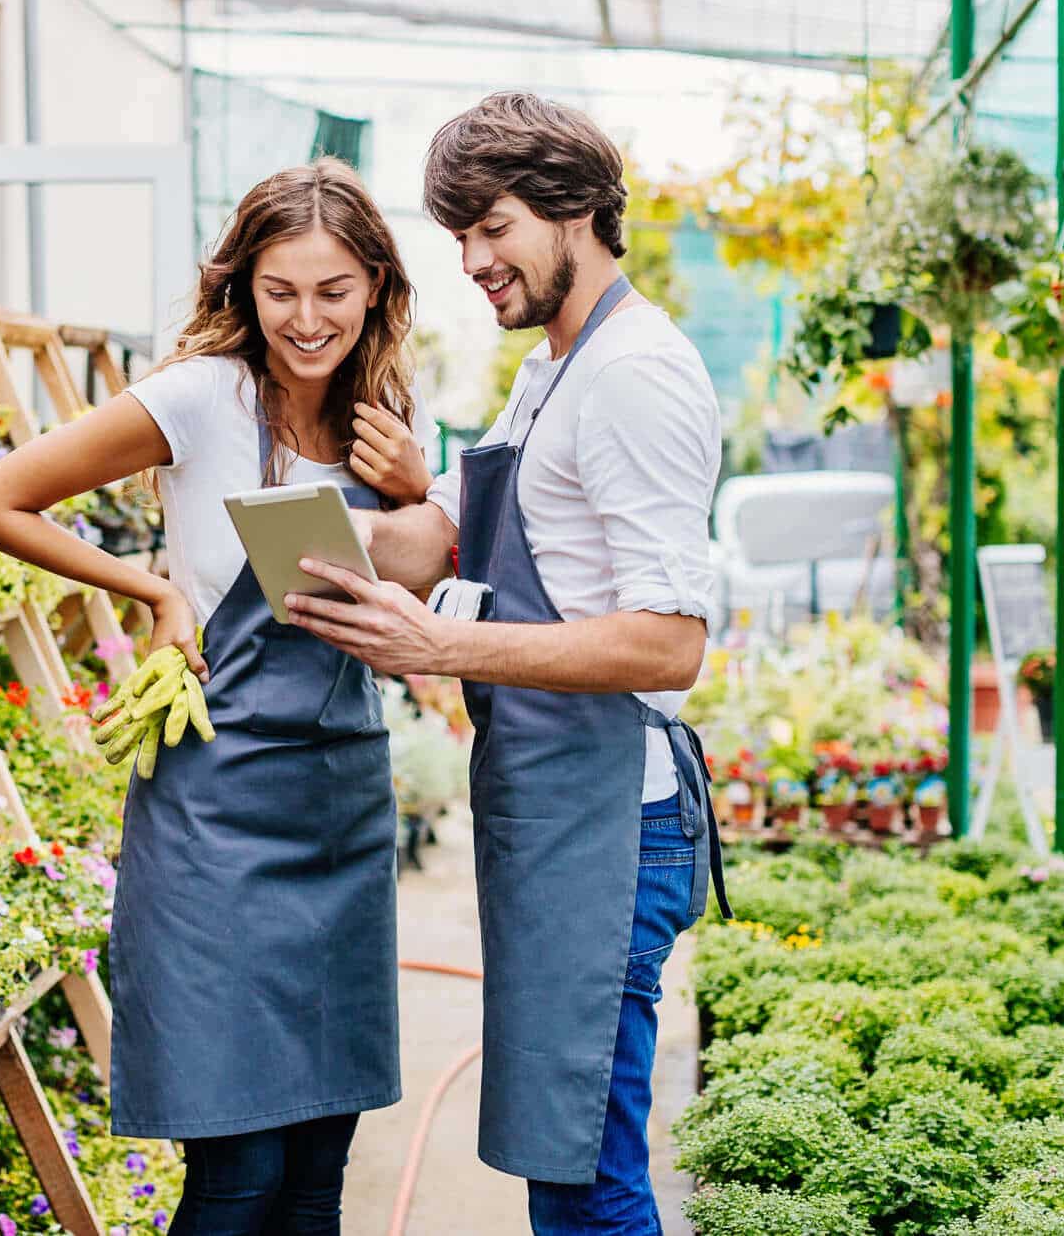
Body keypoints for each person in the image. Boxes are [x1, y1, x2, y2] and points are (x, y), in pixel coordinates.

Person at [0, 158, 435, 1236]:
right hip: (218, 811)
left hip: (342, 804)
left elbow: (435, 579)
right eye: (281, 291)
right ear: (243, 287)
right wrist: (152, 584)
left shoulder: (389, 414)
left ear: (377, 290)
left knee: (317, 1174)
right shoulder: (199, 396)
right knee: (241, 1173)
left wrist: (418, 488)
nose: (308, 320)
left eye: (334, 292)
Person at [285, 93, 732, 1235]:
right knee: (556, 1153)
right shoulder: (554, 366)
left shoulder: (634, 373)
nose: (474, 260)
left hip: (608, 818)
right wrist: (306, 517)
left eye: (492, 228)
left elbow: (670, 643)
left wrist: (442, 643)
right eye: (460, 237)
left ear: (577, 205)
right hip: (551, 805)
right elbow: (444, 531)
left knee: (585, 1175)